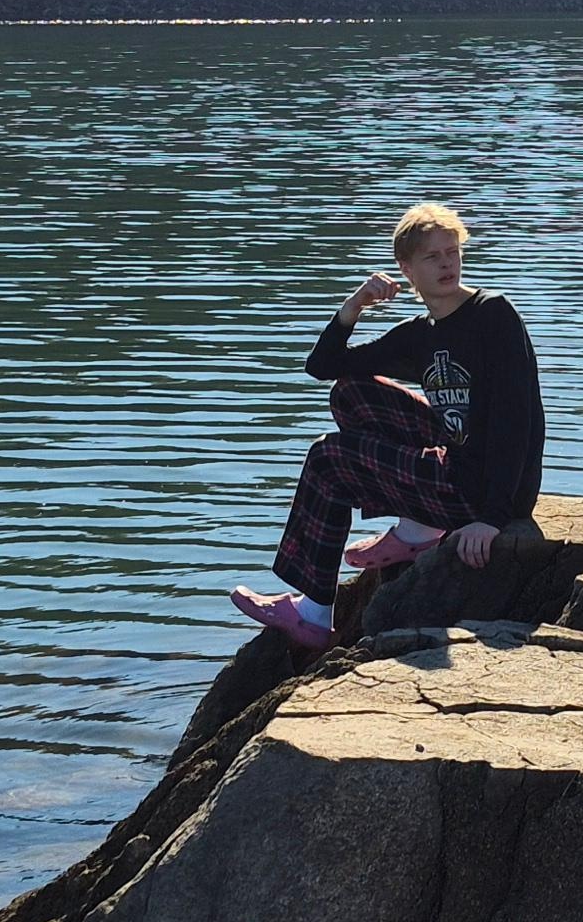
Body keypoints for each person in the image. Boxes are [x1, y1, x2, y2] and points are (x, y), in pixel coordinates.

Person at [232, 201, 546, 647]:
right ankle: (417, 531)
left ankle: (315, 611)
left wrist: (493, 518)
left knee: (328, 458)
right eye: (432, 257)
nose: (446, 264)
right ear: (406, 268)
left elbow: (519, 422)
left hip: (481, 491)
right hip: (457, 466)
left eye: (452, 252)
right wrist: (355, 304)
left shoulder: (492, 316)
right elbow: (324, 365)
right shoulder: (421, 333)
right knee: (350, 391)